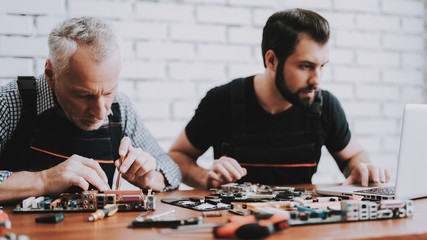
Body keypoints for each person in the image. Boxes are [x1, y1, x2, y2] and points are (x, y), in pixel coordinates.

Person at [169, 8, 390, 189]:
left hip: (302, 224)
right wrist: (206, 176)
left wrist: (363, 167)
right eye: (306, 66)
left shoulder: (325, 105)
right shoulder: (221, 100)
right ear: (272, 60)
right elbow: (176, 156)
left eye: (322, 66)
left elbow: (353, 156)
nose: (317, 79)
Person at [0, 16, 181, 203]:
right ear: (51, 75)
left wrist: (149, 177)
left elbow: (172, 171)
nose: (101, 113)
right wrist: (44, 180)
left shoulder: (122, 109)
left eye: (109, 91)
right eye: (84, 95)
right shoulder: (11, 101)